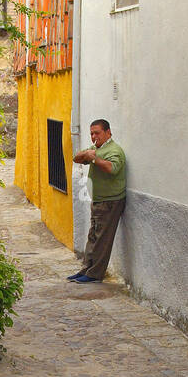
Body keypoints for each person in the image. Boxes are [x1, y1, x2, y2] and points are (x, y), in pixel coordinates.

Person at [69, 119, 127, 283]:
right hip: (98, 200)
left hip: (110, 201)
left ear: (108, 132)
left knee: (103, 239)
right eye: (92, 133)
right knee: (93, 236)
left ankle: (95, 274)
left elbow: (111, 168)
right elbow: (77, 158)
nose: (94, 137)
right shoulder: (96, 149)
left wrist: (93, 159)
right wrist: (87, 155)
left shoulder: (114, 150)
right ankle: (86, 269)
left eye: (97, 133)